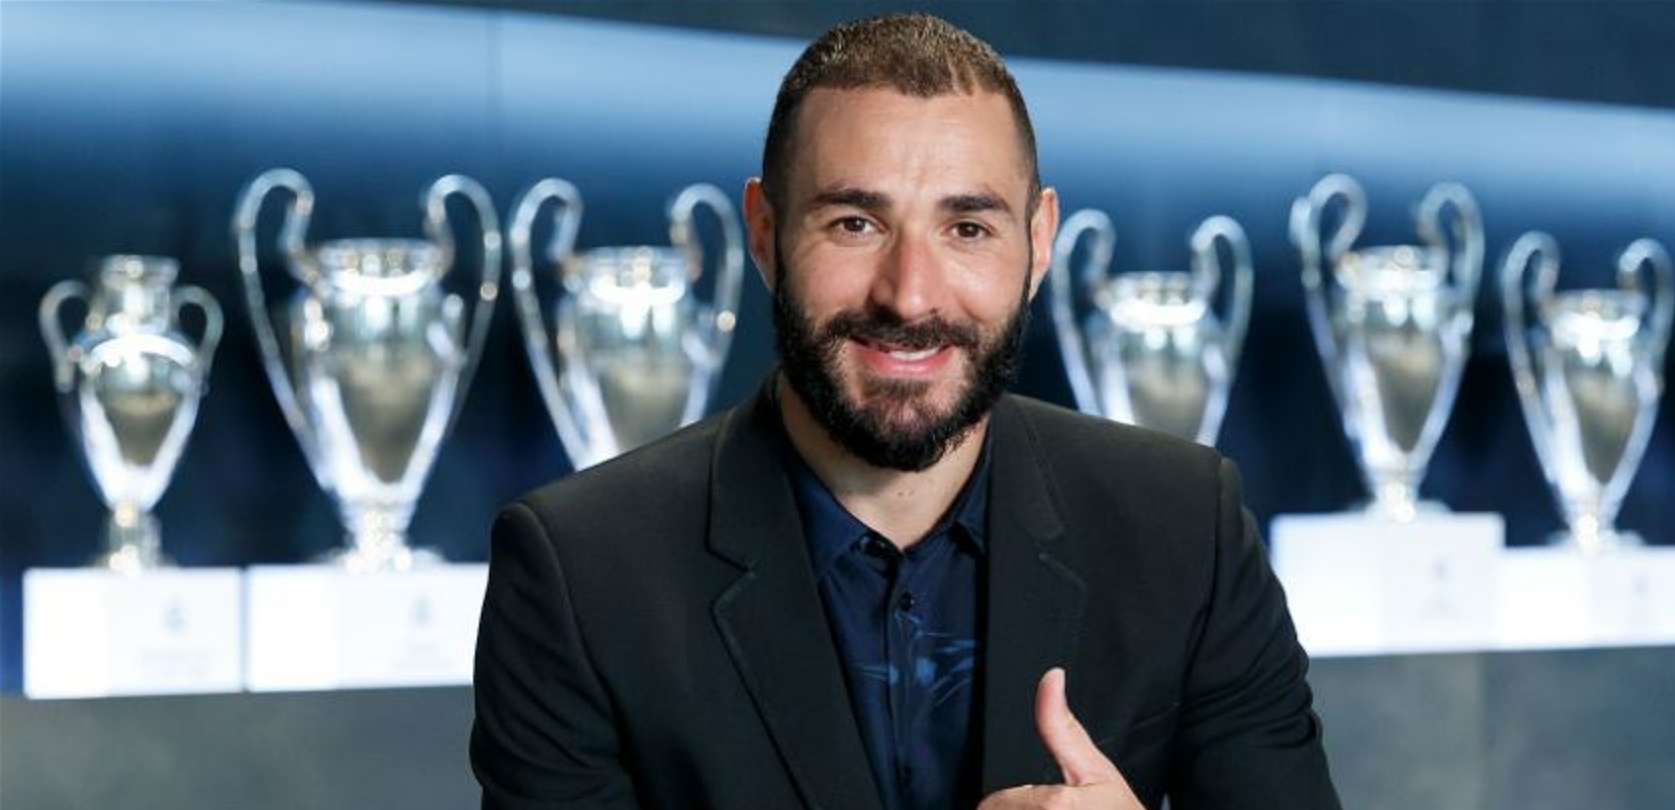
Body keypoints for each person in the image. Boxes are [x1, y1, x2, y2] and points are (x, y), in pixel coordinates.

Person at [471, 13, 1340, 810]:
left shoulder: (1185, 527)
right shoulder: (580, 572)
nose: (910, 294)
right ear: (765, 234)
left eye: (967, 228)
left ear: (1038, 242)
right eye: (855, 223)